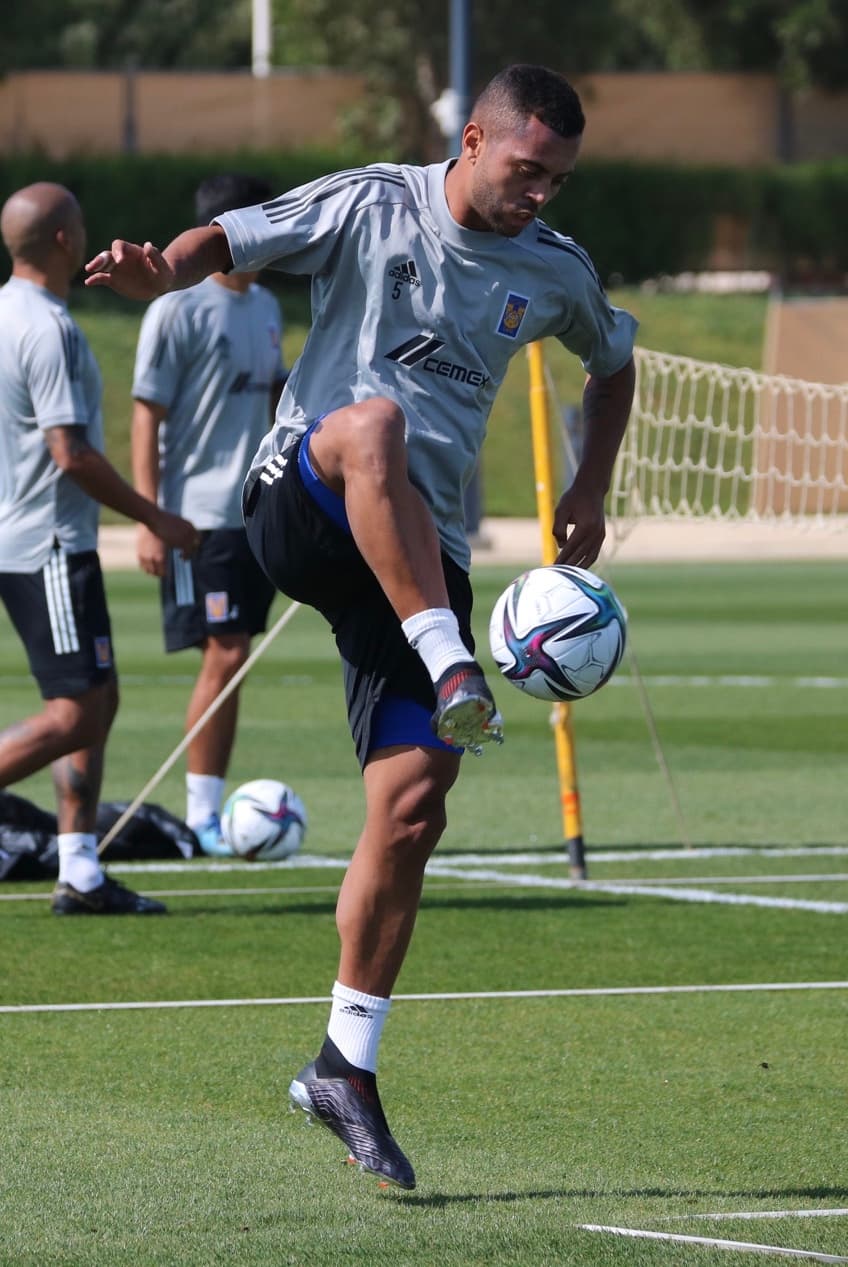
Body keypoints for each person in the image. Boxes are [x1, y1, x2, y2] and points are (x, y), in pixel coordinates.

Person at [86, 64, 637, 1186]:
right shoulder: (373, 199)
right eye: (526, 168)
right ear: (473, 138)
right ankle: (450, 660)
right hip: (299, 494)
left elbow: (612, 358)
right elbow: (225, 240)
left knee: (411, 807)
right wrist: (162, 270)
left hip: (412, 555)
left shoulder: (554, 269)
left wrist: (589, 487)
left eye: (558, 178)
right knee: (371, 419)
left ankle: (345, 1061)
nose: (541, 192)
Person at [0, 182, 200, 916]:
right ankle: (79, 866)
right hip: (47, 541)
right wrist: (157, 518)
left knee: (96, 699)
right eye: (80, 225)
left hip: (39, 538)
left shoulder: (8, 312)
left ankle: (80, 868)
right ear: (63, 241)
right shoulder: (46, 328)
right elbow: (71, 454)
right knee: (77, 714)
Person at [131, 174, 288, 856]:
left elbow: (279, 400)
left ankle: (208, 809)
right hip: (197, 518)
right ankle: (200, 818)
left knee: (234, 657)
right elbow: (147, 416)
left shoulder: (267, 308)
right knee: (224, 652)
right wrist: (149, 516)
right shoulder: (175, 309)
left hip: (254, 513)